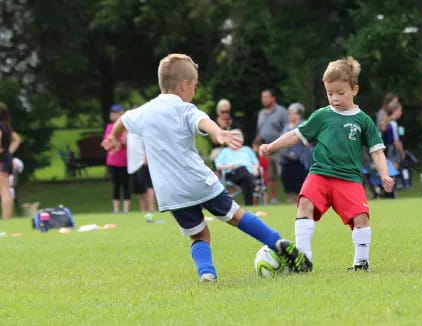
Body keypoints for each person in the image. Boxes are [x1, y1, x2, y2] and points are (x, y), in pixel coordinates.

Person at [101, 53, 311, 282]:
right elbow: (203, 122)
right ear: (184, 85)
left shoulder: (144, 112)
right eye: (195, 86)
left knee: (199, 235)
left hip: (170, 192)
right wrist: (218, 132)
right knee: (236, 216)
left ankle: (207, 274)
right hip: (198, 181)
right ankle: (275, 241)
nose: (194, 91)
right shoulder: (186, 109)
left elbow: (123, 120)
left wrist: (113, 137)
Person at [260, 56, 394, 271]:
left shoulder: (363, 121)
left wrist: (385, 175)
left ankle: (361, 262)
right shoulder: (322, 116)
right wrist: (272, 146)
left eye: (341, 93)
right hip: (320, 174)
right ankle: (303, 259)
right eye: (330, 93)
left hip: (349, 179)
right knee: (304, 204)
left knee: (361, 217)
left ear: (354, 90)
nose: (335, 98)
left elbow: (377, 152)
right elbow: (296, 135)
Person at [256, 89, 288, 204]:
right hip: (266, 148)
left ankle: (290, 198)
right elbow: (260, 131)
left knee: (283, 174)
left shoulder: (281, 112)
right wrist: (256, 142)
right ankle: (274, 200)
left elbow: (287, 129)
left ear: (273, 98)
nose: (264, 100)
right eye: (262, 97)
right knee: (270, 176)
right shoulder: (261, 113)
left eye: (266, 97)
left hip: (279, 147)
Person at [215, 130, 260, 206]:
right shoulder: (225, 151)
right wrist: (229, 166)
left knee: (245, 180)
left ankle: (249, 205)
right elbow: (218, 165)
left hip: (248, 174)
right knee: (243, 170)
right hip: (232, 174)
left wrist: (255, 169)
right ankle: (255, 186)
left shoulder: (247, 149)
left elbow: (256, 162)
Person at [279, 103, 313, 203]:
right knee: (288, 185)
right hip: (286, 161)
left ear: (299, 114)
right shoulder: (286, 126)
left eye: (293, 114)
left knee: (300, 186)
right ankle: (290, 204)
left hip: (300, 161)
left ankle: (300, 205)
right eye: (289, 114)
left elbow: (308, 142)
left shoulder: (304, 125)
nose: (291, 116)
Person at [104, 104, 131, 214]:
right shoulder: (110, 127)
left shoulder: (127, 127)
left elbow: (124, 142)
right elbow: (107, 143)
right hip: (113, 161)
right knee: (116, 185)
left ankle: (125, 210)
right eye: (112, 113)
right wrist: (116, 141)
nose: (112, 115)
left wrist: (118, 139)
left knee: (126, 185)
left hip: (125, 161)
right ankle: (116, 209)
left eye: (115, 113)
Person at [127, 132, 156, 221]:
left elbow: (148, 141)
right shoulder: (128, 131)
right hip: (133, 165)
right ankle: (143, 212)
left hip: (142, 162)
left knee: (148, 187)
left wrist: (147, 156)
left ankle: (152, 209)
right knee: (140, 190)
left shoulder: (140, 127)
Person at [0, 103, 21, 220]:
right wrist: (8, 152)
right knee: (6, 190)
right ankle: (7, 219)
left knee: (3, 191)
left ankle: (6, 219)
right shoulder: (6, 126)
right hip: (6, 159)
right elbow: (17, 139)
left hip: (1, 161)